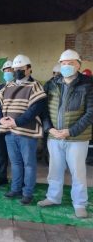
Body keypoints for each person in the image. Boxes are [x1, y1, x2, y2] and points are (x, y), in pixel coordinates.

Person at [38, 49, 93, 218]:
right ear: (60, 64)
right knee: (55, 169)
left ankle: (79, 203)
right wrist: (50, 129)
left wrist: (70, 131)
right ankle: (53, 197)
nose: (67, 66)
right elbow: (43, 110)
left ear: (78, 64)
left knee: (78, 172)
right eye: (64, 63)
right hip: (54, 136)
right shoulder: (52, 83)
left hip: (77, 138)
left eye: (71, 63)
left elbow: (90, 113)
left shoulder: (88, 84)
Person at [0, 54, 46, 205]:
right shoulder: (8, 86)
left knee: (29, 164)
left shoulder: (35, 86)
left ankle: (28, 193)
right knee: (15, 162)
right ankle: (16, 188)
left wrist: (16, 122)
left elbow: (35, 109)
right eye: (15, 69)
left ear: (29, 69)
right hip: (9, 132)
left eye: (21, 69)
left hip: (27, 132)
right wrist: (0, 119)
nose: (17, 72)